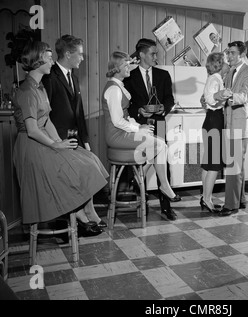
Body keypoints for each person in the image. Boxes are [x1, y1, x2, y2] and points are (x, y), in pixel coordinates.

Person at [13, 41, 108, 238]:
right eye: (48, 58)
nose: (51, 62)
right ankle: (79, 214)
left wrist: (62, 144)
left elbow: (46, 120)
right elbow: (32, 130)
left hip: (44, 142)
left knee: (88, 159)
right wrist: (56, 144)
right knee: (76, 168)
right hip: (31, 148)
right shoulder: (26, 91)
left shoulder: (40, 88)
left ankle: (81, 213)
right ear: (37, 61)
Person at [102, 51, 180, 221]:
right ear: (117, 68)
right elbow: (117, 121)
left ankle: (141, 175)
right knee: (160, 145)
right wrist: (138, 128)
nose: (129, 66)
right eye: (126, 64)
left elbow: (125, 116)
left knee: (158, 145)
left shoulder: (118, 85)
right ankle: (161, 184)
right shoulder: (114, 89)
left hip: (123, 131)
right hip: (117, 134)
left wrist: (139, 126)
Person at [42, 34, 107, 230]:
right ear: (68, 54)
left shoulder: (74, 78)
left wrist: (85, 140)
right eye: (79, 54)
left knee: (91, 165)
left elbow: (79, 114)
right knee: (82, 171)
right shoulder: (49, 77)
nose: (82, 58)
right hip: (57, 140)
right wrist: (56, 142)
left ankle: (88, 211)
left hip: (74, 138)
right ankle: (80, 214)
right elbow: (46, 115)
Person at [123, 38, 180, 221]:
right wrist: (138, 112)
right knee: (141, 163)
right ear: (141, 55)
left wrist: (165, 107)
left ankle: (166, 207)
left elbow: (170, 99)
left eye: (156, 53)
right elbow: (127, 106)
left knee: (165, 165)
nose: (156, 56)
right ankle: (142, 204)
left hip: (160, 123)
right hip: (139, 126)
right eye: (153, 53)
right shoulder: (129, 77)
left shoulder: (163, 75)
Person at [213, 41, 248, 216]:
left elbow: (246, 95)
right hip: (230, 123)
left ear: (242, 54)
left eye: (232, 53)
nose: (228, 56)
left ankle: (231, 205)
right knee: (238, 166)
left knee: (233, 166)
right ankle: (241, 199)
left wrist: (229, 96)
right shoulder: (230, 71)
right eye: (227, 53)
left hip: (239, 124)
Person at [200, 52, 229, 213]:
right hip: (214, 120)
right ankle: (207, 199)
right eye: (225, 62)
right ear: (219, 64)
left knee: (208, 163)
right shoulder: (215, 79)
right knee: (214, 165)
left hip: (211, 120)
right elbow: (211, 99)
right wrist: (222, 94)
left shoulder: (215, 78)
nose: (228, 64)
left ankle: (205, 197)